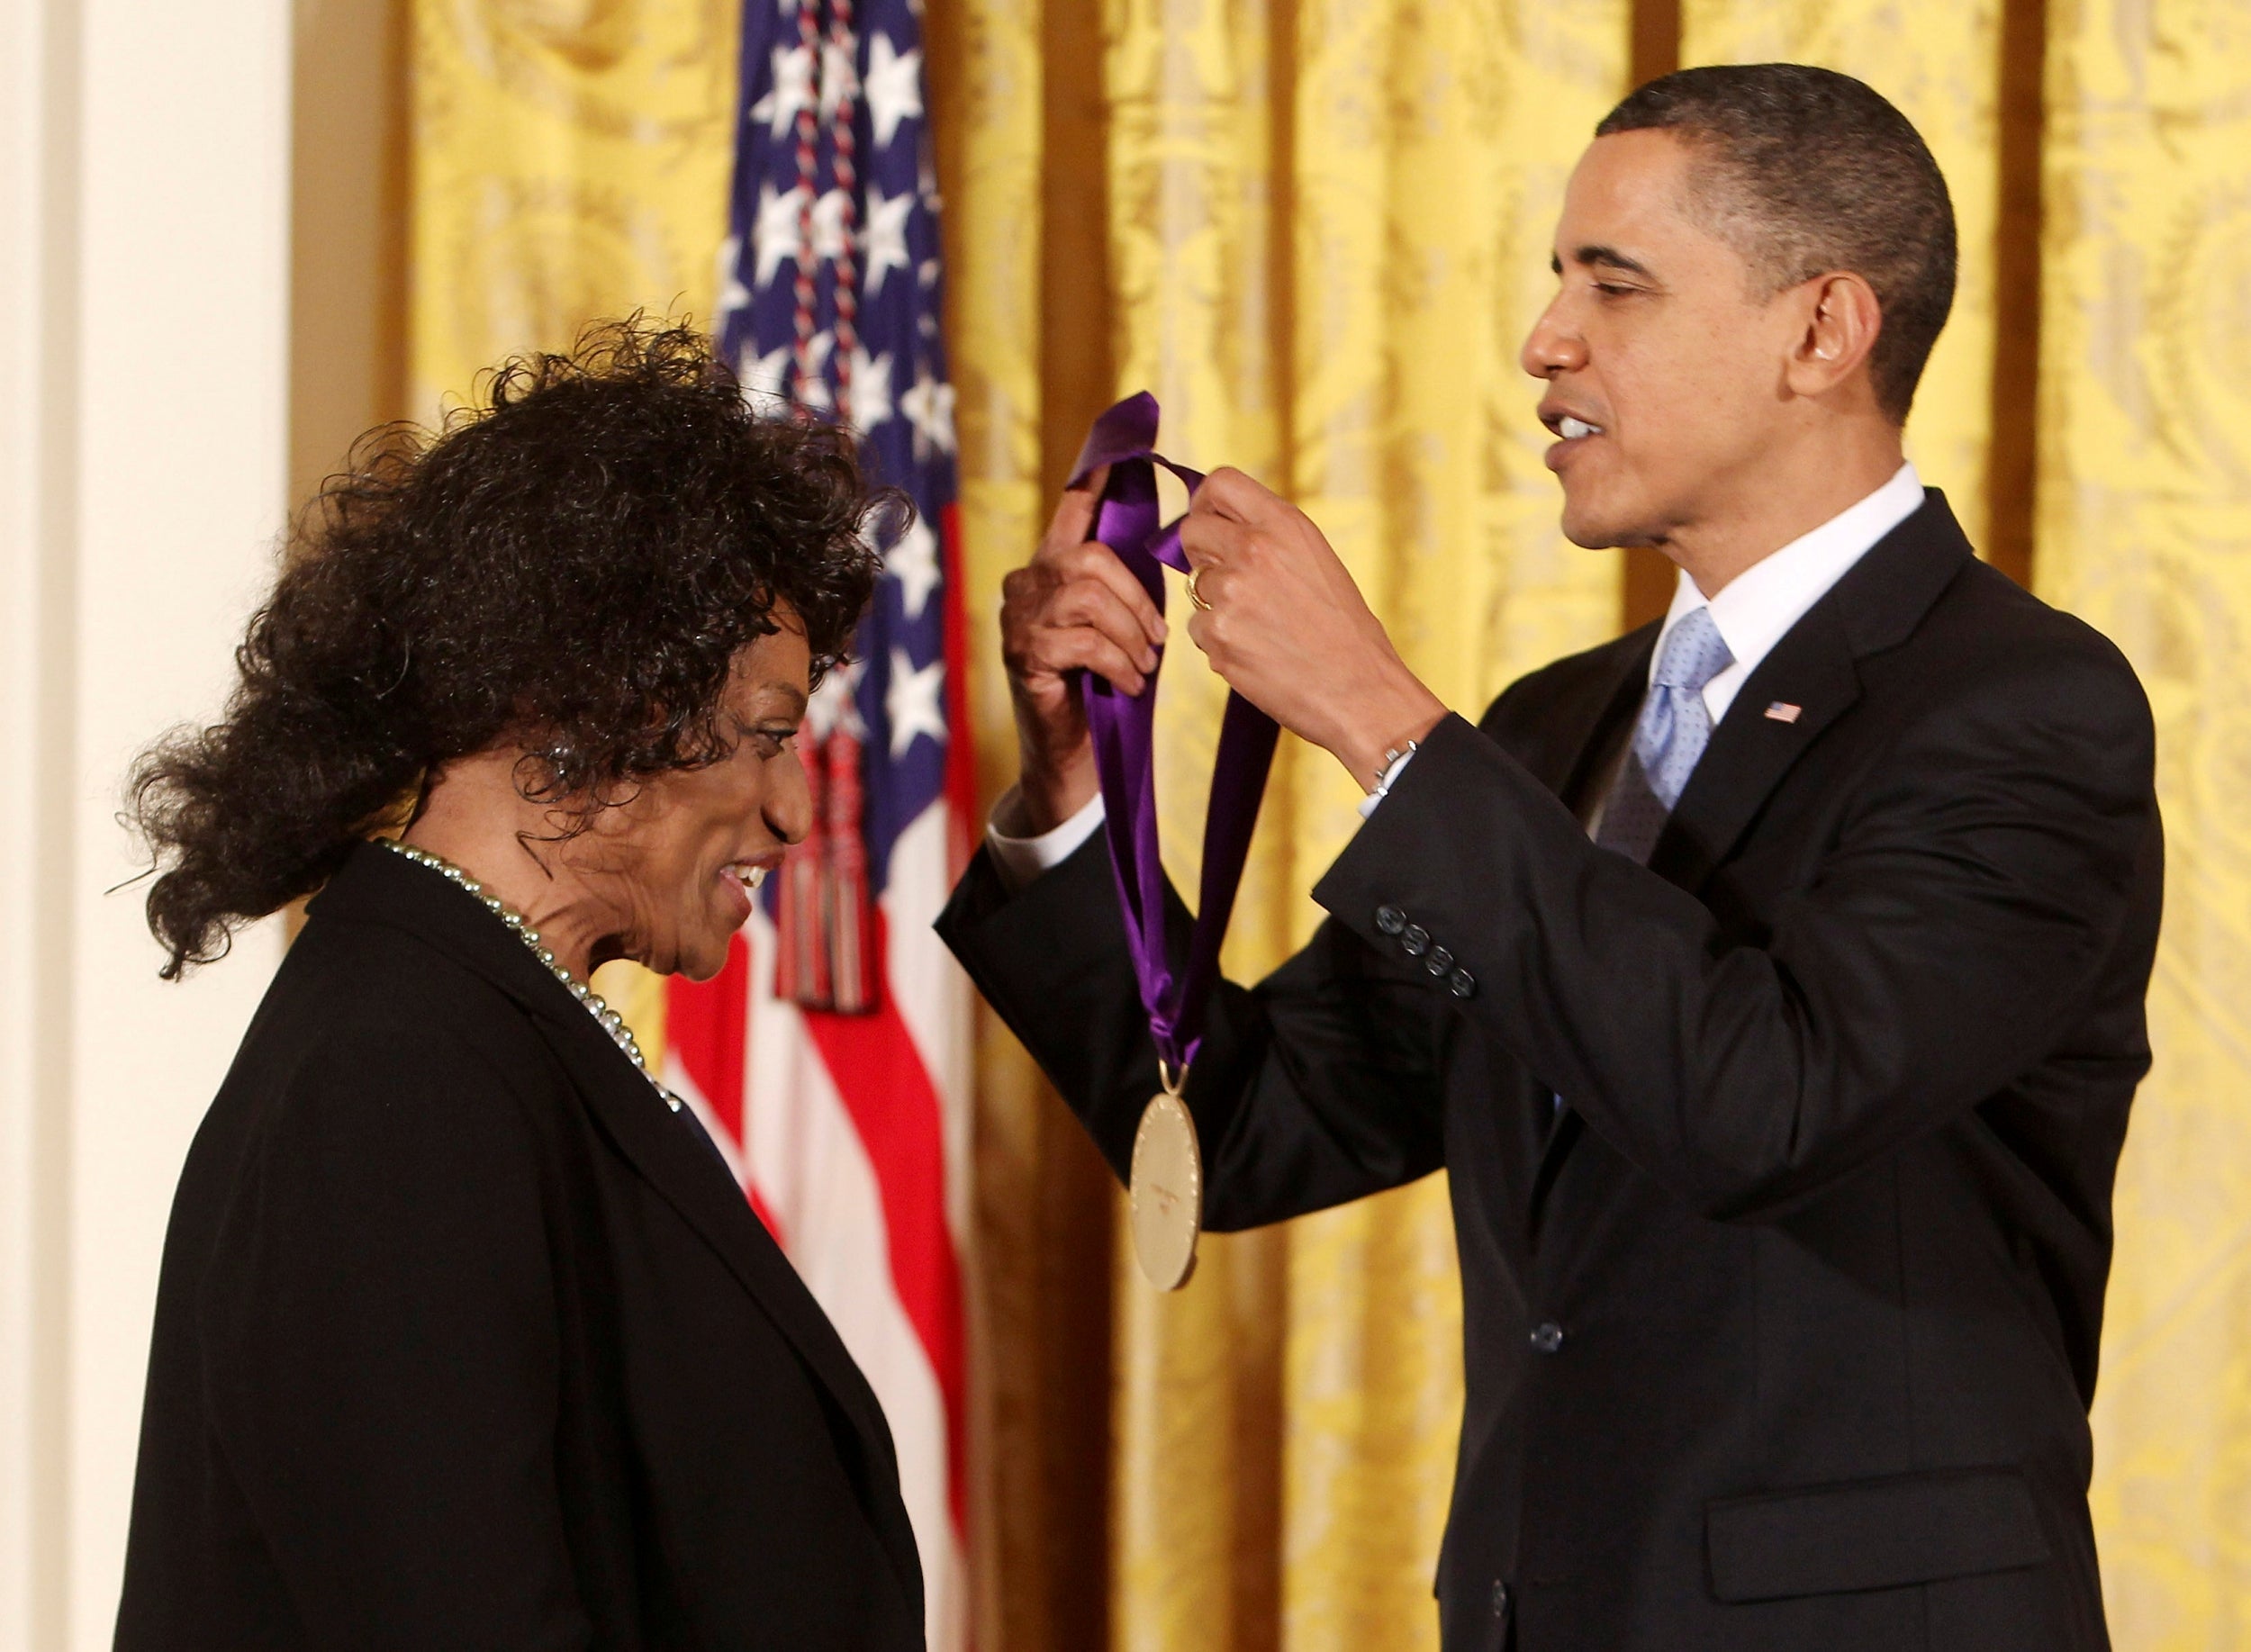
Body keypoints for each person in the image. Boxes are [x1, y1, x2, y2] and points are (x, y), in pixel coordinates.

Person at [941, 65, 2160, 1651]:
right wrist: (1073, 783)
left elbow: (1762, 1104)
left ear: (1822, 331)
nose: (1545, 343)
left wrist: (1380, 722)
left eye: (1618, 284)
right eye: (1552, 280)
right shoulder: (1553, 729)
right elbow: (1252, 1130)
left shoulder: (2022, 706)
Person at [115, 320, 926, 1650]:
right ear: (590, 704)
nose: (793, 813)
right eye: (769, 737)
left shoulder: (483, 1033)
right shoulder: (397, 1081)